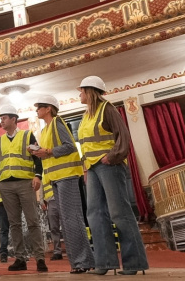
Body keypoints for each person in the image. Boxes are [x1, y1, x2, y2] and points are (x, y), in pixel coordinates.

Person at [76, 76, 148, 276]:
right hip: (92, 168)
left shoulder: (108, 109)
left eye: (81, 91)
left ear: (90, 91)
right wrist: (86, 168)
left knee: (119, 213)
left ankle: (134, 264)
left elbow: (122, 135)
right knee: (95, 214)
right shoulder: (86, 115)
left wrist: (112, 156)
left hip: (110, 165)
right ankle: (105, 263)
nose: (79, 94)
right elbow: (87, 145)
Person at [31, 95, 95, 274]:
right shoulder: (45, 131)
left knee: (72, 219)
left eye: (39, 107)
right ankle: (79, 262)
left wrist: (48, 151)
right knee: (66, 222)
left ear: (48, 108)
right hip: (57, 179)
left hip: (67, 176)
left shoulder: (58, 122)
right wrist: (41, 153)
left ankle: (83, 261)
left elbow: (70, 146)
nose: (37, 110)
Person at [0, 104, 48, 273]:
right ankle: (20, 259)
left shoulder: (27, 136)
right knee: (14, 224)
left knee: (33, 221)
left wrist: (38, 176)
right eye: (1, 118)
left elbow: (38, 157)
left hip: (25, 183)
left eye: (4, 118)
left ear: (13, 119)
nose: (1, 121)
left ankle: (40, 259)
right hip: (6, 186)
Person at [40, 177, 63, 261]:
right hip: (51, 202)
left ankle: (72, 250)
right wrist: (42, 200)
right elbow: (42, 187)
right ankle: (57, 252)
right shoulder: (43, 173)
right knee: (53, 228)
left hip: (62, 199)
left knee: (67, 226)